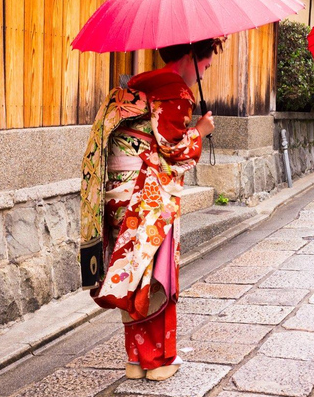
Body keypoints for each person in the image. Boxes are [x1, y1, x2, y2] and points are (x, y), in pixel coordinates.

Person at [79, 38, 222, 381]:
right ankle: (157, 361)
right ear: (191, 56)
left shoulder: (140, 84)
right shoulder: (176, 91)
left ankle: (134, 360)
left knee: (131, 272)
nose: (207, 68)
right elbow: (174, 150)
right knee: (155, 273)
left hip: (118, 191)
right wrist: (200, 131)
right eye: (206, 62)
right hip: (147, 193)